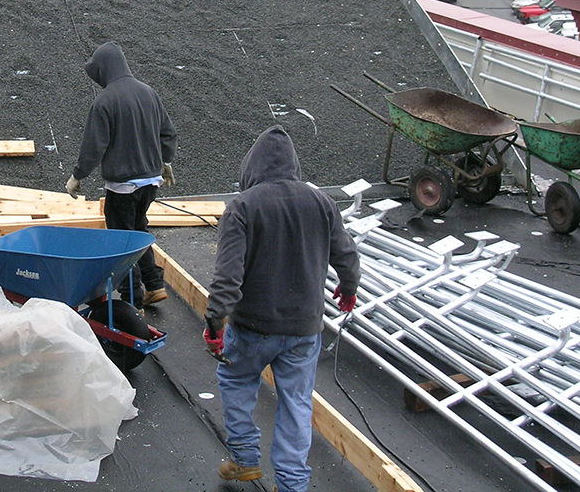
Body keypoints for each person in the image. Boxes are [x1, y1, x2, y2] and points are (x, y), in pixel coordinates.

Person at [202, 125, 360, 489]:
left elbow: (228, 277)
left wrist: (215, 324)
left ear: (251, 167)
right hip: (304, 330)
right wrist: (348, 289)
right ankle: (291, 484)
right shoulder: (321, 201)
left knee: (236, 379)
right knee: (296, 403)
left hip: (253, 327)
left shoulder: (242, 207)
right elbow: (347, 256)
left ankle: (244, 459)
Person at [65, 41, 177, 307]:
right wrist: (166, 161)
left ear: (103, 69)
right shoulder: (149, 92)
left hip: (123, 186)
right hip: (151, 181)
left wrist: (77, 176)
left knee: (121, 242)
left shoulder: (105, 101)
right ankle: (154, 284)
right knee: (138, 231)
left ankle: (131, 300)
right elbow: (168, 132)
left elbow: (94, 147)